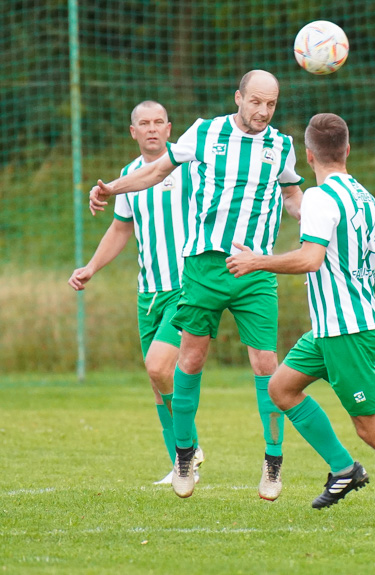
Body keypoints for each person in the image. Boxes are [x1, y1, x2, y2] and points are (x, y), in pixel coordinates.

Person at [225, 113, 375, 526]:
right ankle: (344, 470)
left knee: (372, 428)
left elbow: (310, 258)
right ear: (347, 150)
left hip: (346, 330)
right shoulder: (364, 196)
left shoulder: (319, 198)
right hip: (329, 329)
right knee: (281, 388)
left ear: (307, 154)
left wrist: (256, 262)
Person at [89, 70, 304, 501]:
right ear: (238, 98)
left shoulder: (281, 146)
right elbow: (155, 172)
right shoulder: (205, 133)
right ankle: (184, 454)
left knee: (266, 364)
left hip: (256, 269)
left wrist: (321, 221)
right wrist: (112, 188)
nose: (263, 112)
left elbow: (292, 196)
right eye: (256, 102)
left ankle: (273, 460)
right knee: (188, 359)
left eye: (271, 105)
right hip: (203, 267)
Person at [69, 100, 204, 485]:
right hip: (149, 292)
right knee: (157, 382)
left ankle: (189, 448)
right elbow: (120, 229)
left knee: (159, 367)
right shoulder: (128, 176)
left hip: (187, 286)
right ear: (133, 131)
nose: (151, 128)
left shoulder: (191, 169)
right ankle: (182, 462)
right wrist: (91, 267)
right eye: (144, 123)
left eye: (159, 122)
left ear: (169, 128)